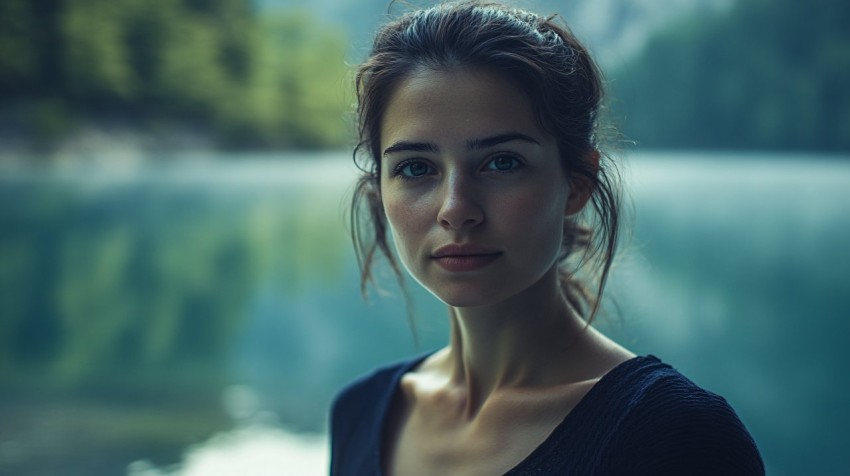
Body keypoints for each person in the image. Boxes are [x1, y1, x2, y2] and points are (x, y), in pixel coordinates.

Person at [330, 2, 764, 475]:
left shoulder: (673, 436)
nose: (455, 209)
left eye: (502, 162)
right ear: (379, 191)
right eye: (416, 168)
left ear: (577, 181)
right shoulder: (362, 411)